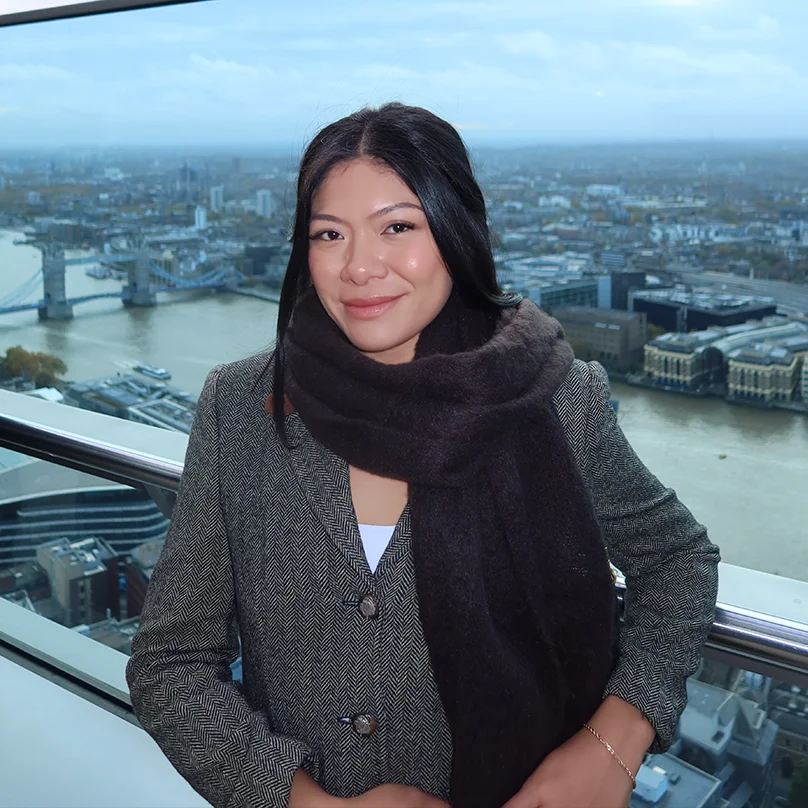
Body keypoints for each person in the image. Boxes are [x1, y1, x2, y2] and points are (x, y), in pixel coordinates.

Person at [126, 103, 720, 808]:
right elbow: (171, 662)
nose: (358, 267)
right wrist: (303, 801)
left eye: (398, 227)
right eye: (328, 234)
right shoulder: (238, 409)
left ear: (457, 231)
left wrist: (613, 741)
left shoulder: (556, 400)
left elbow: (677, 560)